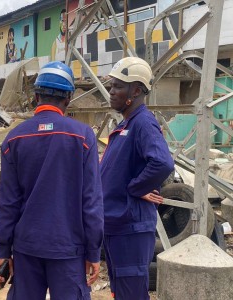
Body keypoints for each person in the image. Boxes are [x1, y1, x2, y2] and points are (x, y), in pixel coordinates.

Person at [0, 61, 104, 300]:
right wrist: (93, 252)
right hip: (68, 249)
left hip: (26, 248)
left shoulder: (14, 138)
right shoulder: (82, 137)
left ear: (36, 96)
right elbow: (91, 201)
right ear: (68, 98)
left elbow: (7, 201)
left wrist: (4, 250)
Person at [99, 57, 174, 299]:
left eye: (118, 86)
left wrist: (135, 187)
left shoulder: (143, 123)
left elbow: (162, 163)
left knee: (130, 294)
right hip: (116, 225)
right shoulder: (125, 125)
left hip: (130, 228)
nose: (111, 92)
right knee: (120, 293)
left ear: (137, 90)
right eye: (111, 86)